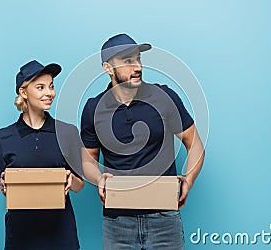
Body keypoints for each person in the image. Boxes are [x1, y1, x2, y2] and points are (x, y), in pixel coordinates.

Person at [80, 34, 205, 249]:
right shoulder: (93, 108)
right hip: (117, 221)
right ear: (108, 68)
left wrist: (189, 179)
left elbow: (194, 144)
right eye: (128, 61)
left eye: (138, 59)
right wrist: (99, 178)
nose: (137, 66)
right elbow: (88, 160)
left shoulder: (164, 96)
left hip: (164, 216)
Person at [0, 60, 84, 250]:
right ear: (24, 92)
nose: (49, 93)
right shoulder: (4, 137)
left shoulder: (67, 133)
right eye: (40, 87)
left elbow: (79, 185)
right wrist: (1, 184)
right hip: (21, 238)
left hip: (61, 237)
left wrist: (71, 179)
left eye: (51, 87)